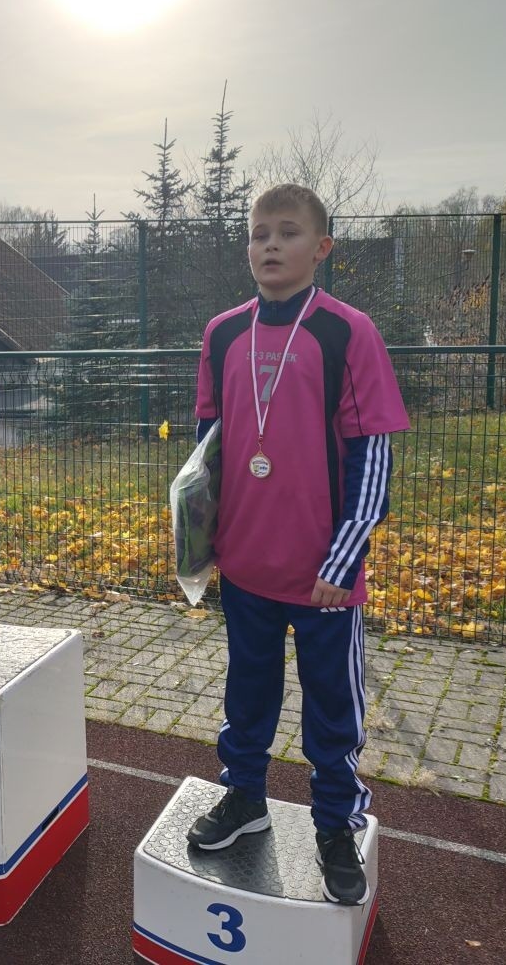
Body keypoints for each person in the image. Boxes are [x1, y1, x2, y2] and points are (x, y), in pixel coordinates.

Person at [185, 184, 410, 906]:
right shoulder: (221, 331)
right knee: (246, 694)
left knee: (330, 709)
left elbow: (372, 454)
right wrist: (198, 542)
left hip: (323, 578)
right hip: (244, 567)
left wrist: (343, 560)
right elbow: (207, 454)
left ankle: (335, 824)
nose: (269, 246)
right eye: (258, 234)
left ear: (321, 248)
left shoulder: (347, 331)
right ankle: (243, 798)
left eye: (287, 233)